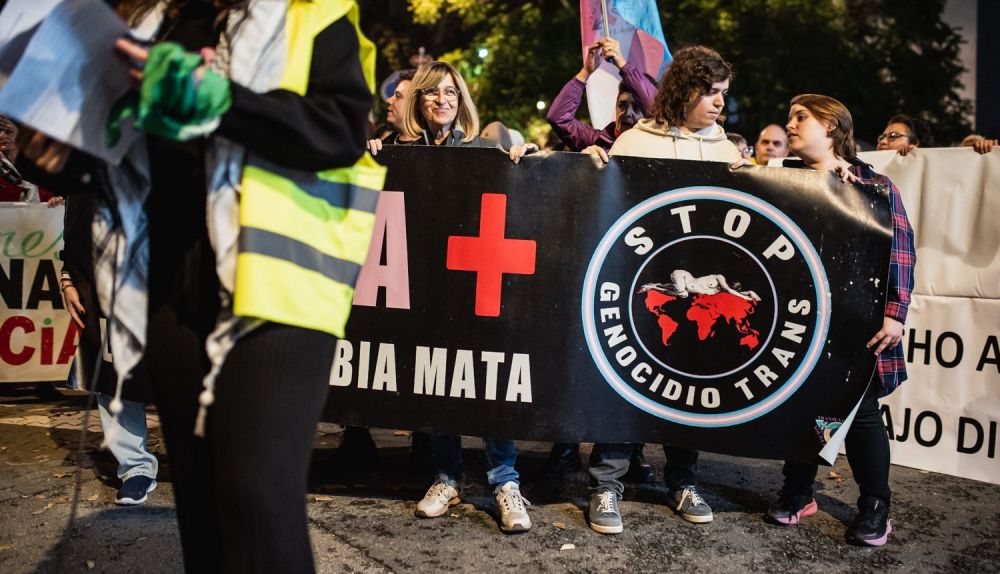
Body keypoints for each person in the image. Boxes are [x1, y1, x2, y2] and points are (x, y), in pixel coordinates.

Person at [24, 0, 382, 571]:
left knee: (257, 499)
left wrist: (223, 101)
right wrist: (51, 153)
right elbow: (102, 156)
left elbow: (339, 131)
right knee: (200, 503)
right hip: (165, 287)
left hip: (275, 290)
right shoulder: (141, 23)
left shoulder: (311, 12)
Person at [743, 94, 914, 547]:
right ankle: (798, 492)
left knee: (860, 413)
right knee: (805, 406)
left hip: (856, 325)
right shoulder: (783, 179)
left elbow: (900, 251)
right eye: (789, 116)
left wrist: (895, 313)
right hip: (801, 323)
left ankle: (876, 505)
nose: (790, 125)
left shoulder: (874, 186)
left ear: (832, 127)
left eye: (802, 117)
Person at [585, 45, 741, 534]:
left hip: (697, 296)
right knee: (624, 382)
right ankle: (606, 484)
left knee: (688, 385)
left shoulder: (727, 152)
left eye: (723, 93)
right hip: (642, 289)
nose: (720, 103)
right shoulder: (635, 142)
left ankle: (683, 481)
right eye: (711, 92)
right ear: (684, 90)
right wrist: (592, 168)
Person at [377, 61, 532, 532]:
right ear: (418, 101)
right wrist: (375, 158)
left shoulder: (484, 150)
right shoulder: (400, 153)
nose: (442, 100)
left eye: (450, 92)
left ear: (461, 100)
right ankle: (446, 478)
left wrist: (524, 159)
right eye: (432, 93)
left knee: (488, 381)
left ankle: (505, 481)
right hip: (429, 290)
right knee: (439, 380)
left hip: (477, 289)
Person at [547, 37, 656, 151]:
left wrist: (622, 64)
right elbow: (559, 118)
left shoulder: (661, 143)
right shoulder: (597, 142)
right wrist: (585, 72)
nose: (627, 113)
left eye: (637, 107)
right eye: (622, 105)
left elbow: (658, 112)